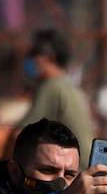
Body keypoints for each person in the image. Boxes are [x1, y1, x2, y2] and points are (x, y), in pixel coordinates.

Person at [12, 29, 94, 166]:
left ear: (48, 57)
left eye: (32, 53)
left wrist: (0, 172)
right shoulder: (69, 86)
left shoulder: (51, 87)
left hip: (70, 171)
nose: (28, 59)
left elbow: (19, 135)